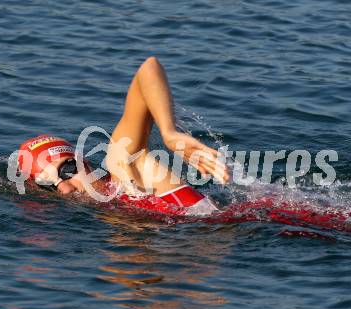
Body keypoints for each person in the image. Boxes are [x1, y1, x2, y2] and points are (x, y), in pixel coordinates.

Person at [17, 57, 229, 215]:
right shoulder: (111, 208)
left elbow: (149, 68)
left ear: (84, 162)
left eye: (66, 170)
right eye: (49, 184)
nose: (64, 189)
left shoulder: (124, 170)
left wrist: (169, 133)